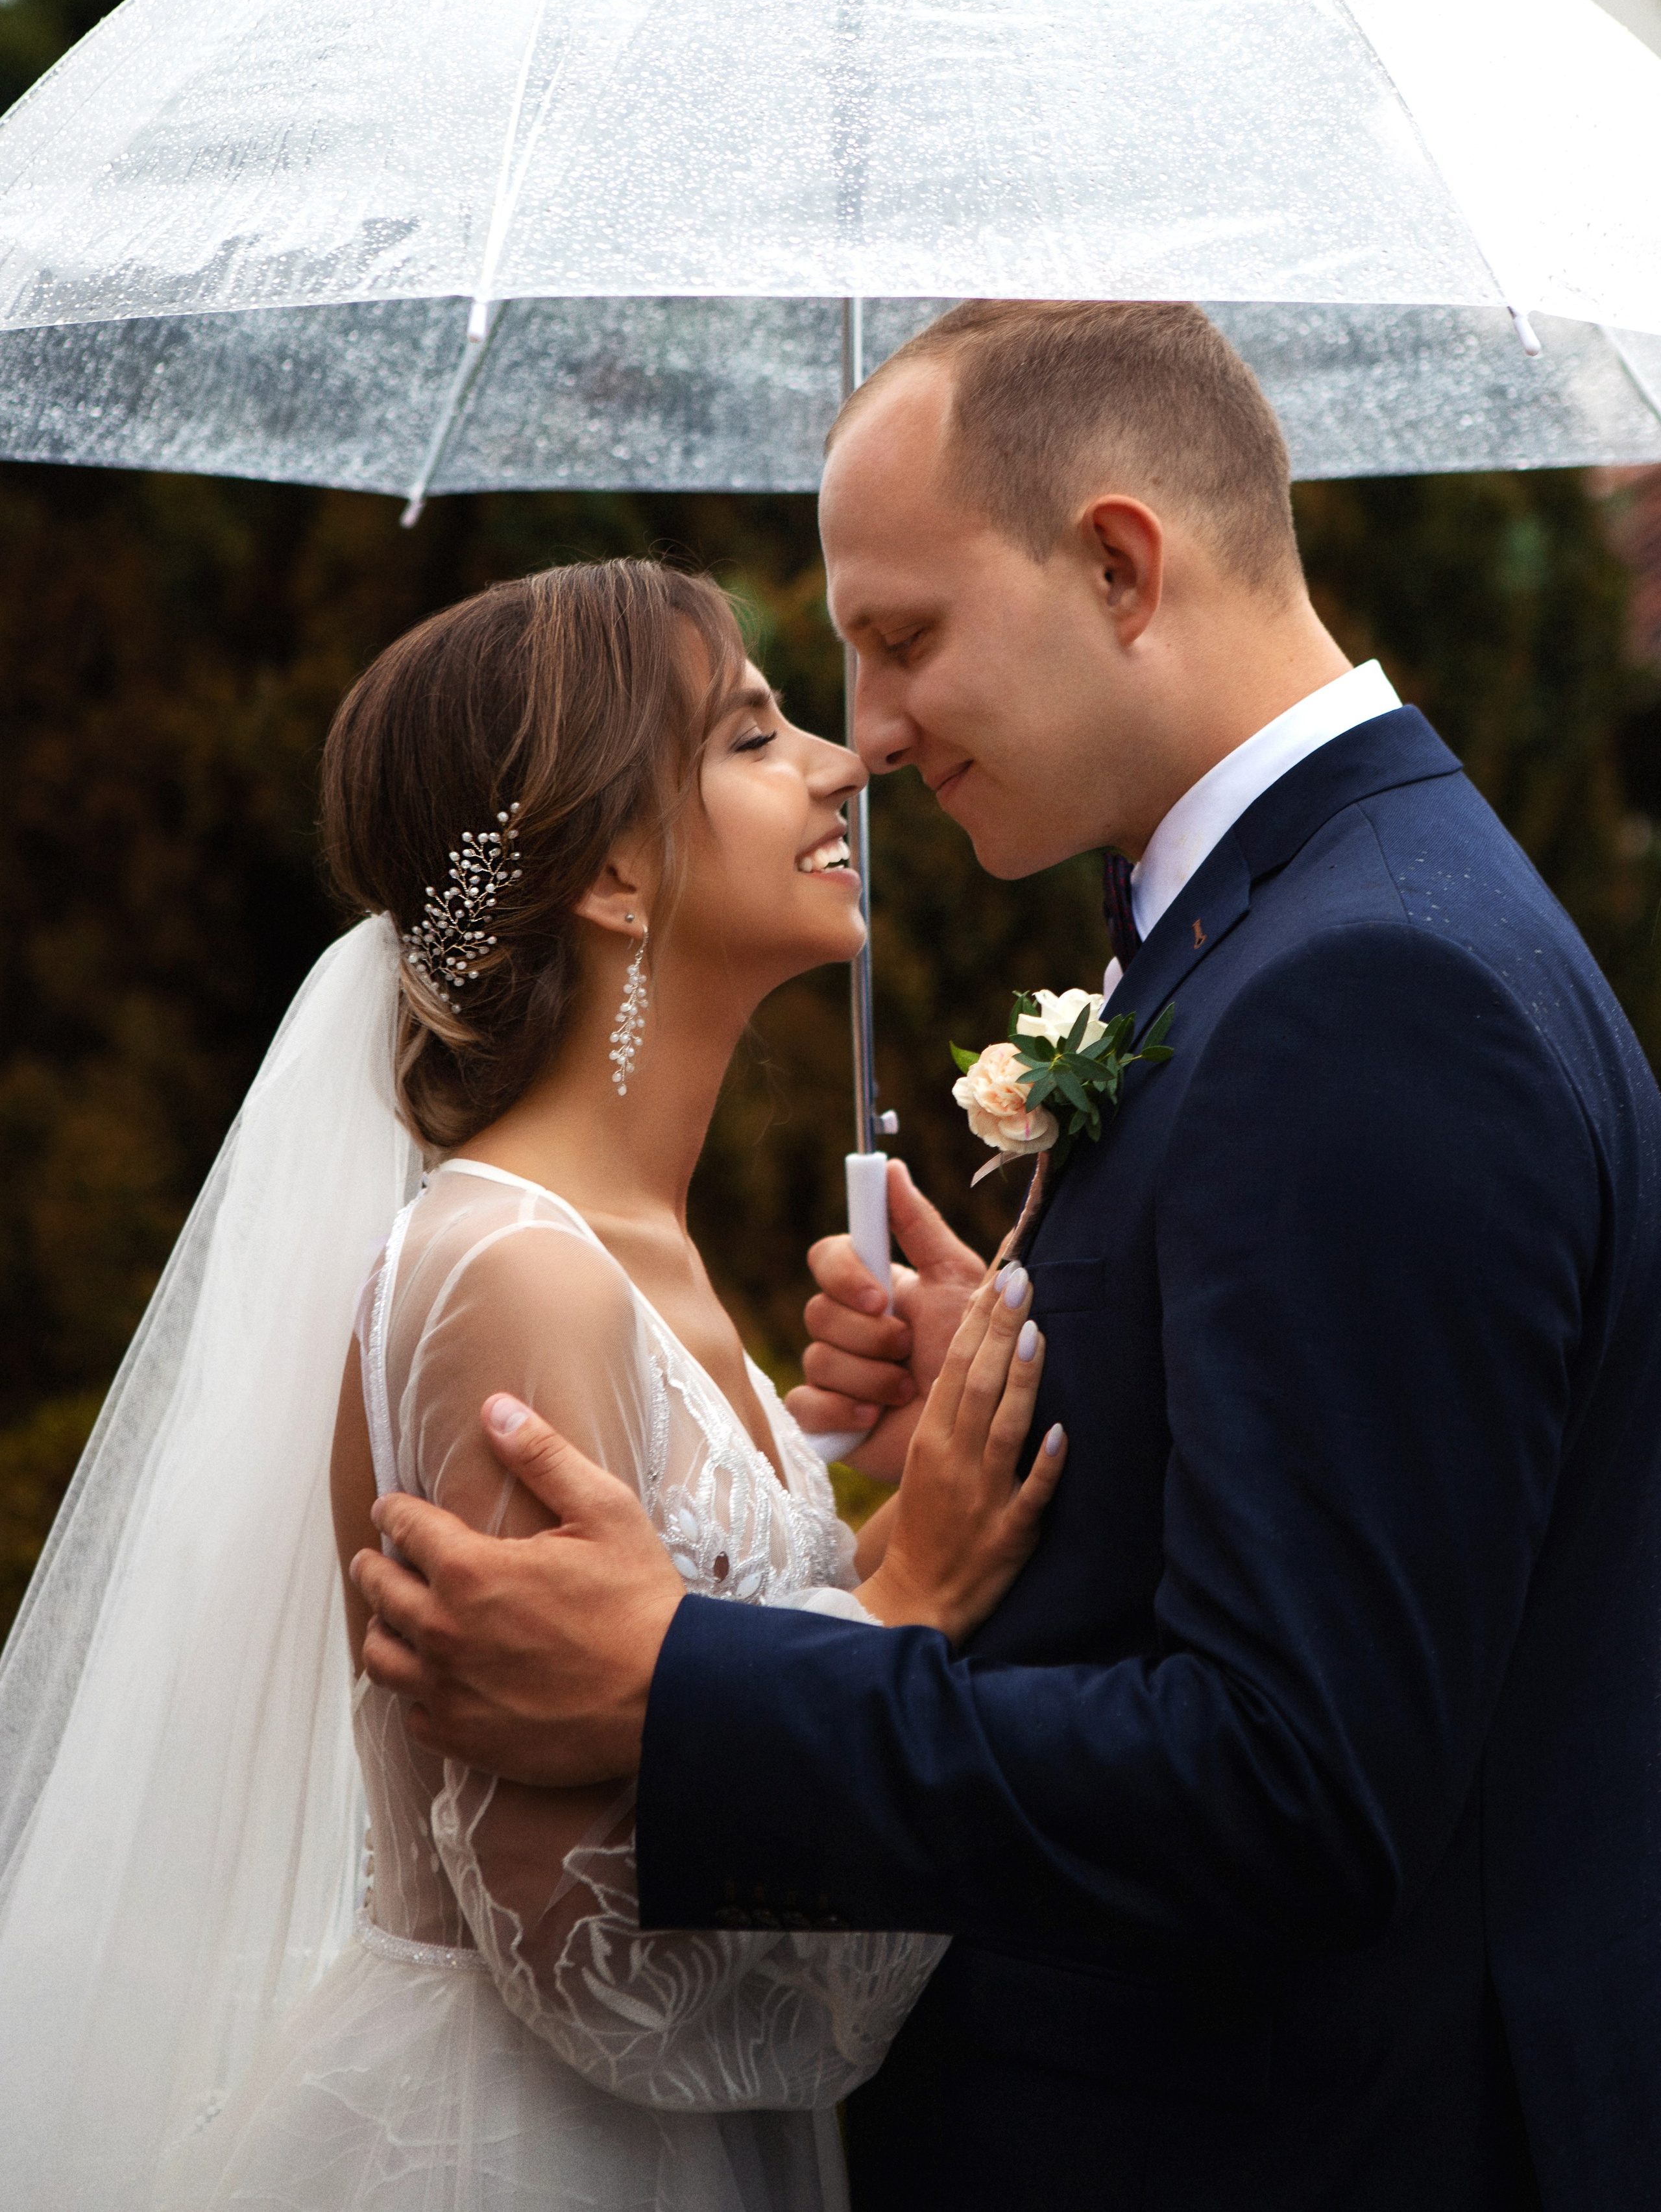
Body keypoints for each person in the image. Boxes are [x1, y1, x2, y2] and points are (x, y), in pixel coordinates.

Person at [355, 304, 1661, 2211]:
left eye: (900, 639)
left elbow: (1297, 1784)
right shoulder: (1330, 915)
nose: (866, 734)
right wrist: (1077, 1367)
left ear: (1121, 564)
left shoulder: (1366, 988)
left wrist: (678, 1677)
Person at [0, 557, 1063, 2212]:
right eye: (748, 735)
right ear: (617, 876)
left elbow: (674, 1684)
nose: (840, 760)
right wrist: (915, 1592)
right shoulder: (513, 1271)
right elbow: (578, 1953)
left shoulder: (644, 1253)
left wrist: (864, 1523)